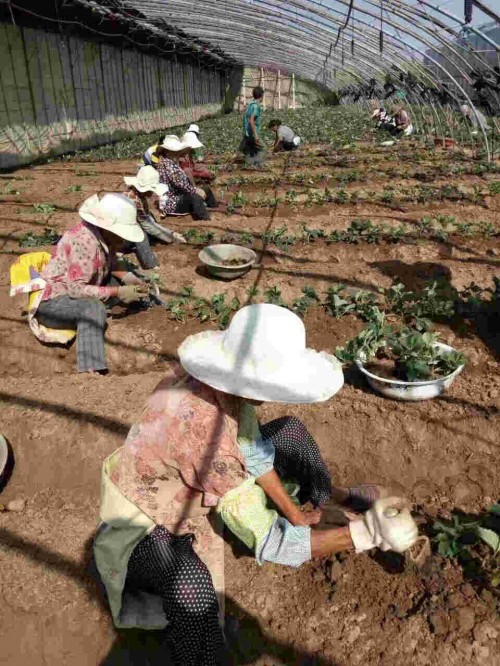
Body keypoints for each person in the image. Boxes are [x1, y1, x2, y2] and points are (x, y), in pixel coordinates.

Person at [94, 304, 419, 665]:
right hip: (142, 517)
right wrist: (365, 535)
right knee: (193, 591)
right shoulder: (209, 437)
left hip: (193, 469)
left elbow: (253, 449)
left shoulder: (219, 387)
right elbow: (269, 539)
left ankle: (328, 498)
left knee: (290, 432)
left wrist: (295, 514)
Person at [32, 194, 148, 374]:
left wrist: (127, 277)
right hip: (54, 301)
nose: (123, 241)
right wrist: (118, 291)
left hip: (79, 288)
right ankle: (90, 371)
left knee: (113, 287)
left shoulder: (103, 237)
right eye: (121, 234)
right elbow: (76, 290)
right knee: (93, 309)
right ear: (108, 228)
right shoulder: (84, 241)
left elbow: (110, 264)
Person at [123, 166, 186, 263]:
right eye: (152, 190)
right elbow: (147, 225)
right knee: (140, 234)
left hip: (126, 228)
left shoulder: (136, 195)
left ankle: (155, 239)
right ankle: (150, 263)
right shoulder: (134, 199)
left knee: (149, 216)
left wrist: (170, 233)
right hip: (120, 238)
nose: (152, 193)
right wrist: (171, 237)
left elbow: (147, 219)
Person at [156, 135, 210, 220]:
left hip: (180, 196)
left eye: (177, 151)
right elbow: (180, 183)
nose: (177, 153)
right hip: (173, 202)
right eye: (174, 151)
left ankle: (212, 207)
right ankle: (205, 219)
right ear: (166, 152)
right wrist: (195, 190)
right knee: (194, 196)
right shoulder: (167, 165)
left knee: (206, 189)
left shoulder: (171, 162)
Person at [240, 86, 265, 165]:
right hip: (252, 134)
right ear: (261, 96)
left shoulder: (250, 105)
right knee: (263, 149)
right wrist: (256, 135)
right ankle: (256, 163)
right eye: (263, 96)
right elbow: (251, 120)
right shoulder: (255, 106)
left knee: (252, 150)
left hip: (248, 133)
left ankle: (250, 163)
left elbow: (246, 118)